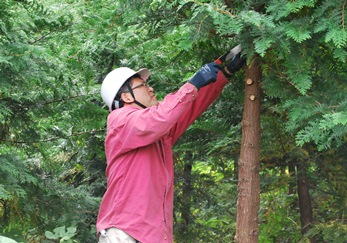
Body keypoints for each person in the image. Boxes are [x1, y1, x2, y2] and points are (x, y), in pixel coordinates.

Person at [97, 45, 246, 243]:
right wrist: (193, 82)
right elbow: (161, 116)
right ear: (126, 97)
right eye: (142, 85)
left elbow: (185, 109)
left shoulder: (156, 132)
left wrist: (224, 74)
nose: (150, 89)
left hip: (151, 236)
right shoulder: (120, 121)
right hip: (124, 232)